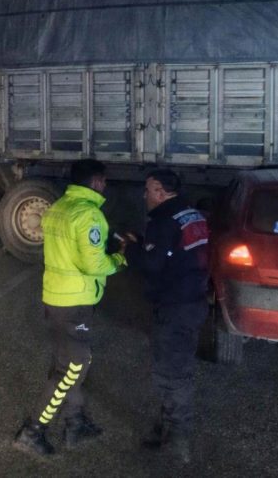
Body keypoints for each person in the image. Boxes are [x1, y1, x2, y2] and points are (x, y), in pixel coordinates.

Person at [13, 159, 128, 458]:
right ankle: (33, 431)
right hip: (74, 303)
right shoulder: (88, 215)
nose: (104, 186)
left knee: (67, 362)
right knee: (75, 365)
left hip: (56, 298)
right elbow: (94, 263)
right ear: (95, 182)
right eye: (103, 181)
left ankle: (75, 424)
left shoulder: (59, 207)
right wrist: (120, 260)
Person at [124, 168, 210, 464]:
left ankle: (177, 441)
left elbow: (151, 264)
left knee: (172, 373)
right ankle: (168, 429)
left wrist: (131, 248)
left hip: (174, 307)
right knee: (177, 367)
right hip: (194, 302)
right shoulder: (193, 215)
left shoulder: (162, 222)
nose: (145, 195)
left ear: (160, 191)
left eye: (148, 190)